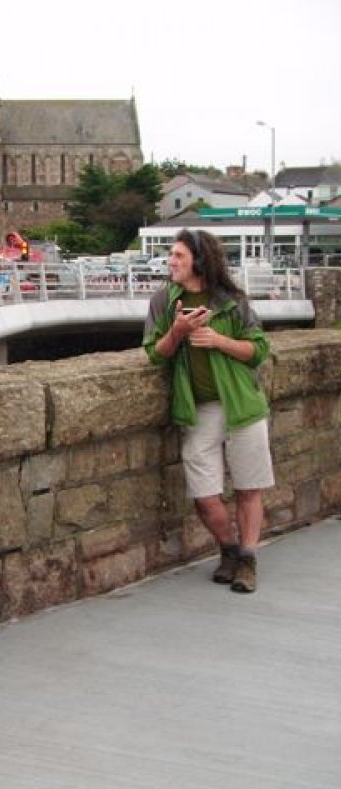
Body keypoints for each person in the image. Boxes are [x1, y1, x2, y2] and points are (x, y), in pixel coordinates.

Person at [143, 228, 274, 594]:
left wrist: (218, 340)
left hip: (242, 405)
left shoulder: (232, 301)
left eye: (178, 256)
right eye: (171, 255)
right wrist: (179, 330)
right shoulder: (163, 302)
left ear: (199, 261)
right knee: (204, 495)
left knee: (249, 487)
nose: (171, 262)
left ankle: (246, 560)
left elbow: (258, 349)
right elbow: (155, 352)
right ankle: (229, 548)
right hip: (199, 409)